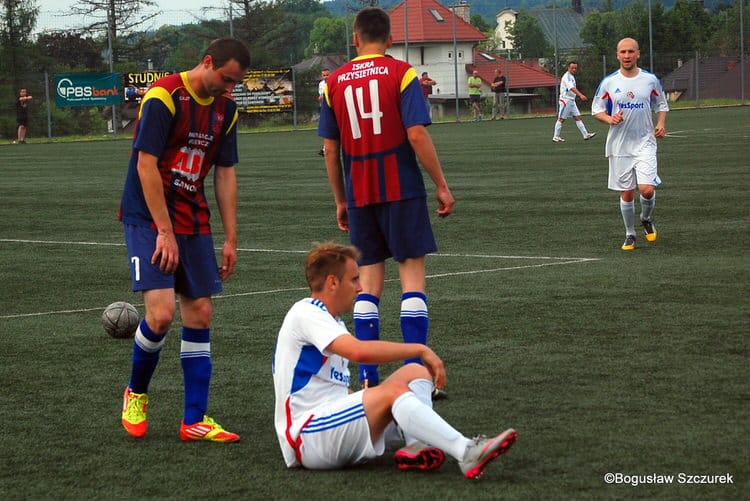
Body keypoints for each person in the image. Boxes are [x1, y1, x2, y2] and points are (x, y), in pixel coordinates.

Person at [272, 242, 517, 477]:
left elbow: (328, 387)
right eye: (354, 279)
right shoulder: (306, 313)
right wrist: (419, 350)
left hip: (329, 427)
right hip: (307, 437)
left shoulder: (330, 319)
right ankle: (466, 451)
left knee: (416, 373)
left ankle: (417, 445)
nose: (359, 287)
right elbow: (359, 351)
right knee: (396, 390)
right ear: (332, 282)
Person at [117, 37, 251, 442]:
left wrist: (231, 238)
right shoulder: (164, 96)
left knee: (201, 315)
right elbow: (145, 165)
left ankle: (194, 419)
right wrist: (163, 231)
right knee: (160, 315)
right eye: (225, 79)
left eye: (234, 84)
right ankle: (136, 392)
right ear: (207, 61)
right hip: (148, 216)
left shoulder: (226, 111)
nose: (228, 89)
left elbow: (224, 173)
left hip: (193, 217)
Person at [318, 7, 455, 398]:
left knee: (367, 287)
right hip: (402, 189)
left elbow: (330, 149)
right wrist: (441, 185)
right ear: (390, 40)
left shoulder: (334, 82)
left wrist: (341, 200)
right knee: (412, 281)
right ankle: (416, 379)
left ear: (355, 39)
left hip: (361, 194)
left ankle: (368, 382)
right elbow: (416, 134)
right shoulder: (402, 74)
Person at [592, 37, 669, 251]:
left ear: (638, 54)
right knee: (626, 192)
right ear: (617, 55)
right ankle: (630, 234)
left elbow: (661, 104)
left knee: (646, 189)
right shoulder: (609, 82)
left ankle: (646, 218)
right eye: (623, 52)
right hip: (619, 146)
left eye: (630, 52)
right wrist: (609, 119)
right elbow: (596, 109)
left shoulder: (650, 80)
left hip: (645, 143)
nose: (627, 56)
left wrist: (661, 123)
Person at [553, 61, 596, 142]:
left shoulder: (571, 76)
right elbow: (572, 88)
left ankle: (585, 134)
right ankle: (556, 136)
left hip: (571, 101)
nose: (574, 69)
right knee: (561, 119)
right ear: (568, 68)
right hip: (566, 100)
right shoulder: (567, 77)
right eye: (572, 68)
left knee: (578, 117)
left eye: (575, 68)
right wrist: (580, 95)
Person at [317, 68, 331, 156]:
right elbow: (321, 96)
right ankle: (325, 148)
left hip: (333, 108)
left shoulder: (333, 81)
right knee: (327, 129)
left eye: (327, 75)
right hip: (326, 109)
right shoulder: (321, 84)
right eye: (324, 75)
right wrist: (320, 98)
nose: (325, 77)